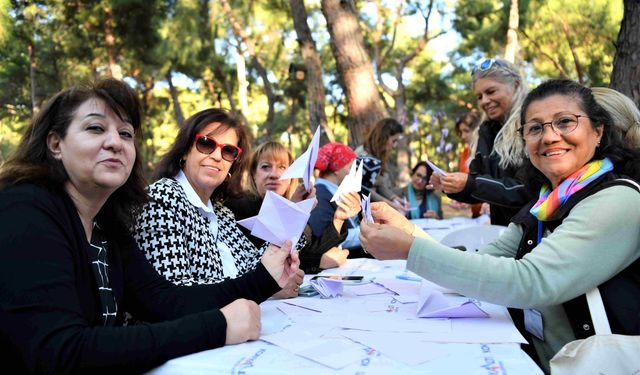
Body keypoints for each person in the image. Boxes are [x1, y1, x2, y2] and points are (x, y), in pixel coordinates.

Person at [0, 78, 300, 373]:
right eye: (95, 128)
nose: (115, 142)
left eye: (126, 133)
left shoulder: (107, 226)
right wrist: (218, 326)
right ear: (55, 143)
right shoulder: (24, 208)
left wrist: (265, 279)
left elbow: (165, 301)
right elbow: (60, 351)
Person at [360, 79, 640, 373]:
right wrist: (408, 234)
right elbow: (482, 263)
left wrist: (409, 249)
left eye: (565, 122)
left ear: (598, 132)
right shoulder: (545, 202)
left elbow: (530, 281)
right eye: (535, 128)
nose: (549, 136)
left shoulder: (618, 199)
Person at [134, 109, 304, 298]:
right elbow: (174, 294)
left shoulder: (222, 212)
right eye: (206, 144)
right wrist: (265, 287)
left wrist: (278, 271)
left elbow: (252, 266)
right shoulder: (161, 199)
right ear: (184, 152)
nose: (217, 156)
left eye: (228, 151)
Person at [226, 141, 360, 273]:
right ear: (253, 174)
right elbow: (258, 264)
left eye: (282, 167)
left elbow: (310, 249)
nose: (274, 174)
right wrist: (319, 262)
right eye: (266, 167)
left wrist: (338, 219)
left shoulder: (290, 204)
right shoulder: (239, 208)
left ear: (292, 177)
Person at [430, 58, 531, 225]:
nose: (484, 101)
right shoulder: (485, 133)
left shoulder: (533, 125)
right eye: (479, 96)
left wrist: (471, 183)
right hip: (503, 232)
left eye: (491, 92)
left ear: (516, 85)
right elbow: (481, 189)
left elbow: (528, 191)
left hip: (536, 234)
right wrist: (451, 185)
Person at [309, 142, 368, 257]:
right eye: (350, 167)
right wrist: (367, 233)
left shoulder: (331, 191)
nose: (354, 172)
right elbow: (324, 237)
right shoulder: (320, 195)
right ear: (337, 169)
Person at [356, 117, 404, 209]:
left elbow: (379, 183)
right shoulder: (363, 155)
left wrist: (395, 199)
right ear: (384, 137)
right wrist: (391, 204)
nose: (394, 146)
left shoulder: (378, 155)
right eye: (394, 141)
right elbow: (364, 189)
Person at [449, 111, 484, 217]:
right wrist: (461, 200)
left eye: (466, 131)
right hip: (476, 215)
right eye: (460, 132)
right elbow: (467, 184)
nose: (463, 136)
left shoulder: (486, 152)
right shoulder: (465, 153)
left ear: (478, 129)